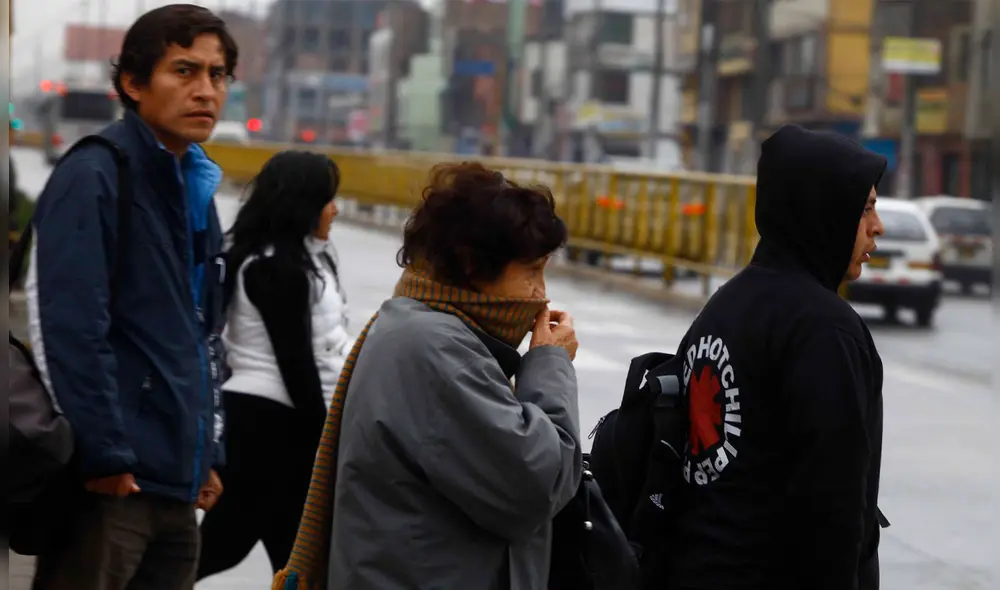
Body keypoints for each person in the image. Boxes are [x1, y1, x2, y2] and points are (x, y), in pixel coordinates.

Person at [271, 162, 583, 590]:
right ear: (473, 266)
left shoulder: (416, 323)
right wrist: (550, 363)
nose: (540, 294)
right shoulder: (437, 351)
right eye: (531, 272)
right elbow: (535, 485)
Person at [25, 5, 237, 589]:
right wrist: (103, 452)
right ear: (133, 83)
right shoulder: (96, 174)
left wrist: (209, 451)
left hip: (177, 480)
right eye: (185, 72)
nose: (205, 91)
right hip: (113, 483)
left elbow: (204, 337)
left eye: (217, 76)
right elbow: (66, 325)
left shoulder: (196, 185)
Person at [662, 124, 888, 590]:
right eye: (864, 208)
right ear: (823, 211)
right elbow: (833, 509)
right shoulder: (824, 328)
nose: (876, 227)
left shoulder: (726, 304)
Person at [197, 151, 352, 578]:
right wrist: (326, 442)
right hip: (268, 426)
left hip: (275, 426)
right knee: (225, 547)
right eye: (327, 199)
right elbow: (297, 367)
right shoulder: (274, 268)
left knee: (294, 559)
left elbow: (326, 351)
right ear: (302, 204)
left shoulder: (302, 260)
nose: (334, 209)